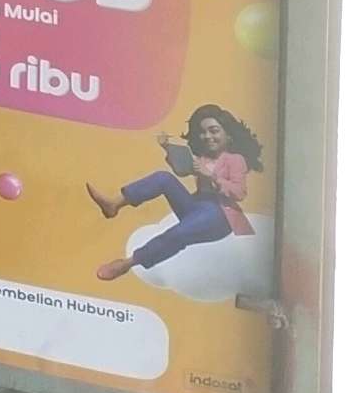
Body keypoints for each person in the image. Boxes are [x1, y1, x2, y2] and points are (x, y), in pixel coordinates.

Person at [86, 103, 264, 282]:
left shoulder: (235, 160)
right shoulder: (203, 157)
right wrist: (167, 147)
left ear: (228, 135)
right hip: (196, 205)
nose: (208, 136)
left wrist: (212, 176)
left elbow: (239, 193)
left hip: (219, 214)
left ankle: (128, 263)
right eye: (203, 132)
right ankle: (114, 204)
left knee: (179, 233)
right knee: (163, 178)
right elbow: (182, 170)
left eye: (214, 131)